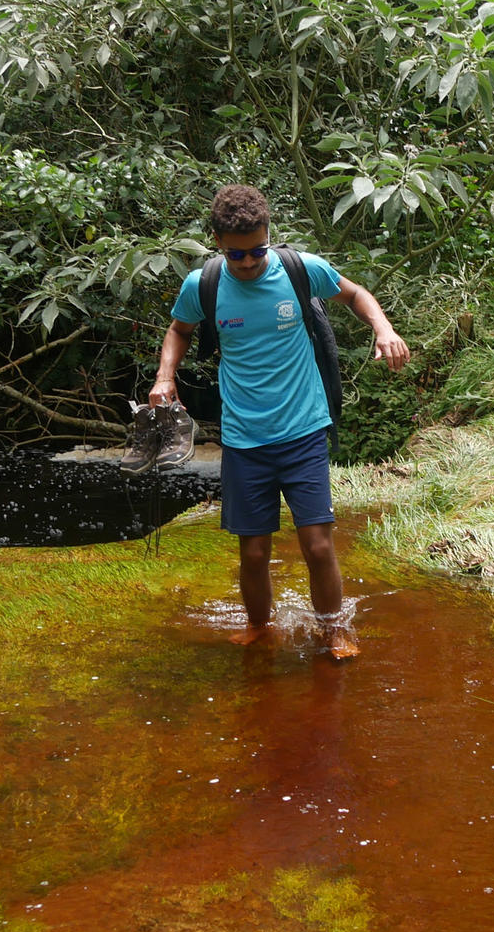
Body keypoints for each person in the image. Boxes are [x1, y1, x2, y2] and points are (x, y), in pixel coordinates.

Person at [148, 184, 409, 659]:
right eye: (236, 254)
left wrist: (384, 328)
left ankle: (334, 629)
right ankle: (258, 626)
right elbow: (179, 330)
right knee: (252, 552)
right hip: (245, 437)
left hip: (303, 429)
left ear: (270, 236)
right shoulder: (202, 285)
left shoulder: (300, 270)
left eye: (256, 251)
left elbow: (355, 294)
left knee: (318, 544)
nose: (247, 263)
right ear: (218, 242)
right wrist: (165, 376)